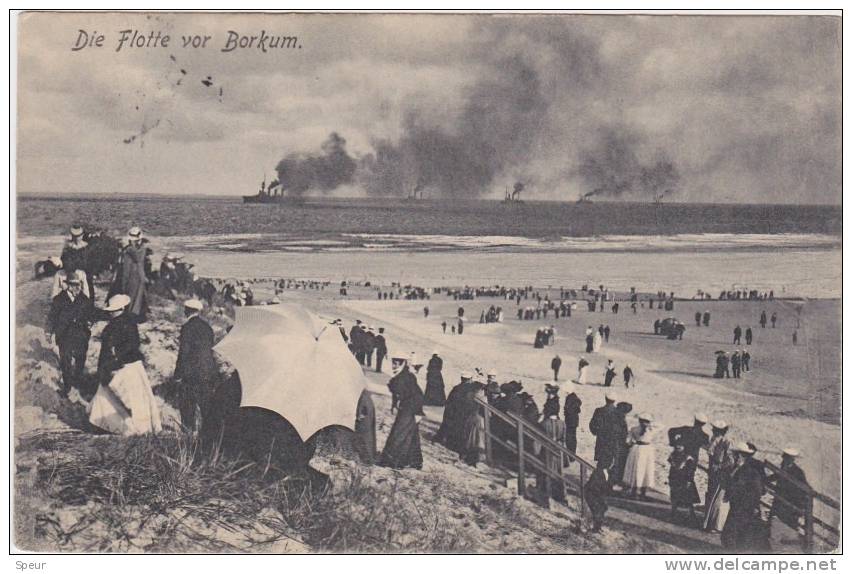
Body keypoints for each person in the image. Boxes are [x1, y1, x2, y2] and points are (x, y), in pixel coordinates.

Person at [89, 294, 162, 435]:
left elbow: (108, 352)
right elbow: (134, 346)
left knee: (110, 398)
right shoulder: (131, 323)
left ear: (120, 309)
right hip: (133, 366)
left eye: (113, 310)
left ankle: (117, 427)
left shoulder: (112, 328)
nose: (111, 312)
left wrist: (107, 367)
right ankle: (142, 427)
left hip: (120, 368)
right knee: (137, 399)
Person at [172, 299, 217, 432]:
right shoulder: (207, 327)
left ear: (187, 310)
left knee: (187, 406)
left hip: (191, 372)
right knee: (206, 406)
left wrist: (178, 374)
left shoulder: (187, 327)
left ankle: (188, 434)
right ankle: (209, 434)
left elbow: (184, 352)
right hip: (208, 370)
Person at [46, 276, 92, 397]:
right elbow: (52, 317)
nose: (78, 288)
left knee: (80, 358)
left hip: (80, 335)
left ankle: (77, 381)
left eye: (79, 285)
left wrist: (90, 321)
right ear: (69, 286)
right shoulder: (59, 300)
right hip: (64, 335)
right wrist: (48, 332)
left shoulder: (84, 299)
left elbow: (91, 312)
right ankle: (67, 387)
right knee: (65, 361)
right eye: (75, 285)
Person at [722, 442, 769, 551]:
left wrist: (748, 504)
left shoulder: (751, 471)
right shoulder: (738, 468)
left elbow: (757, 491)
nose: (735, 457)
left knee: (734, 533)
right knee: (732, 533)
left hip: (744, 506)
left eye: (737, 455)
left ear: (743, 456)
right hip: (736, 505)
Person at [380, 359, 425, 470]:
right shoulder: (397, 377)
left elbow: (418, 395)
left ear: (403, 363)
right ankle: (415, 461)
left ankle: (392, 461)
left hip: (411, 409)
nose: (394, 366)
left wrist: (418, 412)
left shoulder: (408, 377)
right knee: (411, 434)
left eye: (397, 363)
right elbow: (396, 395)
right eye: (393, 363)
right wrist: (393, 406)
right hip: (405, 408)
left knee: (399, 433)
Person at [108, 227, 149, 321]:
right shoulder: (131, 248)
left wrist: (130, 247)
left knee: (135, 296)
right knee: (130, 294)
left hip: (136, 276)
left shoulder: (140, 249)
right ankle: (130, 313)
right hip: (130, 275)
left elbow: (138, 258)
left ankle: (132, 315)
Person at [768, 448, 809, 534]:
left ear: (791, 459)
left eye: (786, 458)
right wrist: (765, 480)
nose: (783, 459)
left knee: (789, 524)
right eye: (784, 457)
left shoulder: (798, 472)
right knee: (774, 521)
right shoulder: (784, 467)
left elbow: (804, 488)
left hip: (790, 502)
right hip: (780, 500)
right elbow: (777, 475)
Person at [704, 420, 734, 533]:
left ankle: (713, 525)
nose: (712, 430)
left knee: (716, 499)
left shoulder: (727, 442)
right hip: (714, 470)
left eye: (715, 429)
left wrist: (720, 466)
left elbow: (730, 460)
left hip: (721, 473)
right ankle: (708, 523)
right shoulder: (714, 439)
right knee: (711, 496)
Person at [623, 413, 656, 499]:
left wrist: (631, 443)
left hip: (637, 449)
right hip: (647, 449)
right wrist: (650, 424)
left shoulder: (634, 429)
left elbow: (628, 441)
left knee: (637, 469)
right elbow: (661, 426)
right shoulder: (651, 430)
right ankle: (642, 493)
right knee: (645, 470)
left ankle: (634, 491)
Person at [669, 438, 701, 525]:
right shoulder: (673, 456)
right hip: (675, 479)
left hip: (685, 480)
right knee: (675, 496)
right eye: (677, 445)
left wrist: (689, 480)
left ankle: (691, 514)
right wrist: (670, 479)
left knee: (688, 498)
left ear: (684, 447)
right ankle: (673, 512)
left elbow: (690, 471)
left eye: (680, 445)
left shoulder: (688, 458)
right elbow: (672, 469)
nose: (678, 447)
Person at [61, 224, 95, 303]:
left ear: (82, 235)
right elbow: (64, 262)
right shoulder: (67, 248)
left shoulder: (88, 248)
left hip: (86, 276)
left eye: (78, 236)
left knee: (87, 297)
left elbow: (92, 263)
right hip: (71, 276)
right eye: (74, 236)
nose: (77, 238)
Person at [589, 393, 619, 471]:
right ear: (614, 401)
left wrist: (596, 432)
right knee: (611, 462)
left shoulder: (599, 410)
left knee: (601, 462)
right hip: (613, 441)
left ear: (605, 399)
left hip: (601, 439)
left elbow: (592, 424)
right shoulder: (618, 412)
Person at [585, 463, 611, 532]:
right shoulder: (598, 472)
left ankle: (598, 527)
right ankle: (596, 528)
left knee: (602, 508)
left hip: (598, 494)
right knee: (597, 510)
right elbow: (593, 486)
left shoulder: (606, 472)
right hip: (592, 494)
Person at [354, 390, 377, 464]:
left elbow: (361, 412)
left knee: (363, 440)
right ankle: (368, 457)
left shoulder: (363, 397)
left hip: (364, 424)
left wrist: (359, 417)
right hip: (367, 424)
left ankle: (365, 458)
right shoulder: (368, 398)